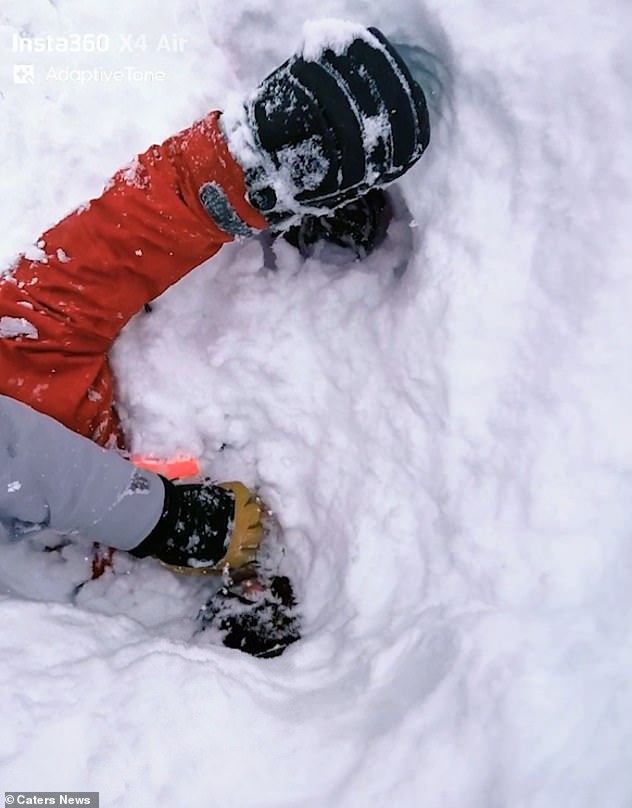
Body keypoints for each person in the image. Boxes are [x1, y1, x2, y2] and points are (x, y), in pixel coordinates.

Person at [0, 22, 430, 572]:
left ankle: (248, 174)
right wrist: (163, 521)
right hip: (57, 540)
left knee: (30, 326)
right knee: (31, 329)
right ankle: (233, 588)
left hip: (35, 443)